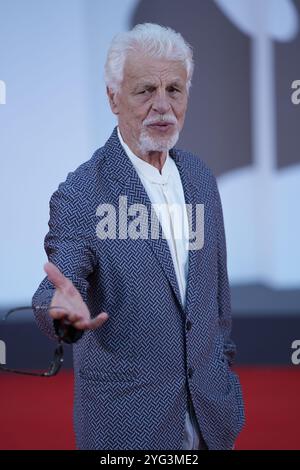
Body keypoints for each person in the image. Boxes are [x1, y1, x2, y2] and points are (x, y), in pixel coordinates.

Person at [32, 23, 245, 450]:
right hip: (127, 431)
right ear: (113, 97)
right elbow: (57, 287)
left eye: (174, 89)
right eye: (145, 90)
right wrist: (61, 314)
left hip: (210, 422)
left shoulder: (201, 178)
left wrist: (223, 382)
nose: (162, 106)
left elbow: (216, 305)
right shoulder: (82, 192)